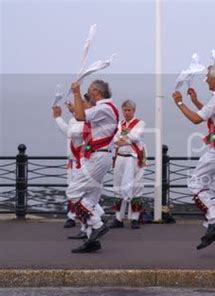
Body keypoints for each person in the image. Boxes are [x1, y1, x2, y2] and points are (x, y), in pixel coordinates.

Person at [171, 64, 215, 250]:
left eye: (207, 77)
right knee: (211, 186)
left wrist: (180, 103)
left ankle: (214, 220)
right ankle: (211, 227)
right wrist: (195, 100)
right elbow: (210, 115)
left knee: (195, 183)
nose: (206, 79)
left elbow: (196, 119)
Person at [67, 79, 119, 253]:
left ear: (96, 91)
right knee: (89, 199)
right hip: (97, 156)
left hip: (98, 156)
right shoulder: (104, 108)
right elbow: (81, 114)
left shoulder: (105, 108)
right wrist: (74, 107)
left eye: (89, 91)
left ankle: (97, 225)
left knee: (73, 192)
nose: (87, 94)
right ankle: (92, 241)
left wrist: (76, 92)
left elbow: (81, 116)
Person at [53, 100, 105, 239]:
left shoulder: (88, 122)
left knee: (79, 195)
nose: (79, 105)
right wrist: (72, 114)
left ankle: (97, 220)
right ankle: (88, 229)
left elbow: (73, 133)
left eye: (82, 103)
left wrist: (59, 117)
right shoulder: (76, 120)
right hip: (77, 161)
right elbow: (70, 132)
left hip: (85, 162)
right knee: (85, 196)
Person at [109, 100, 147, 230]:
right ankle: (118, 218)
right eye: (124, 110)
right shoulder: (119, 124)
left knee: (136, 187)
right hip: (120, 158)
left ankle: (134, 218)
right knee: (118, 187)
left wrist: (122, 138)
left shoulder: (140, 123)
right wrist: (124, 139)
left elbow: (135, 137)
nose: (126, 113)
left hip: (134, 158)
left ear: (133, 110)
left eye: (129, 110)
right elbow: (114, 139)